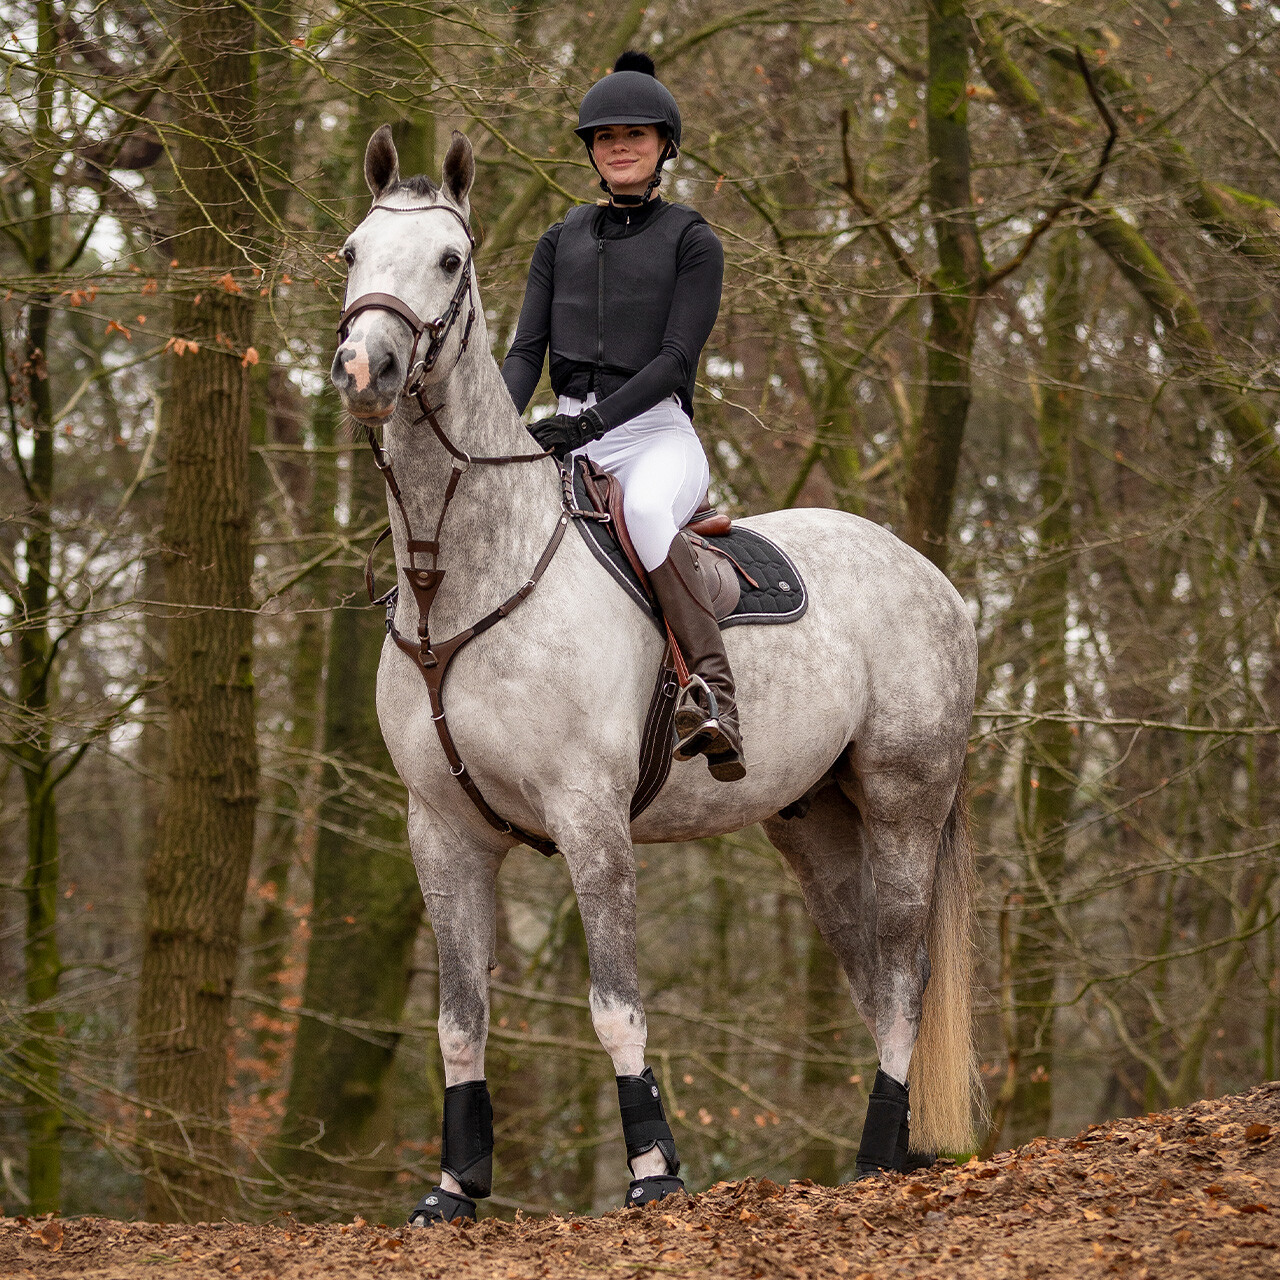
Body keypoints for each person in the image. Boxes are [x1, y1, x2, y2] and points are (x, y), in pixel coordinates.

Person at [500, 51, 744, 782]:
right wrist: (498, 435)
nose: (621, 146)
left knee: (641, 511)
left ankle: (715, 696)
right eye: (607, 137)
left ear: (665, 144)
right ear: (592, 152)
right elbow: (523, 354)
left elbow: (674, 360)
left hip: (652, 436)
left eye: (637, 134)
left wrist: (591, 425)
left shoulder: (693, 240)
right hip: (562, 433)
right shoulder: (559, 238)